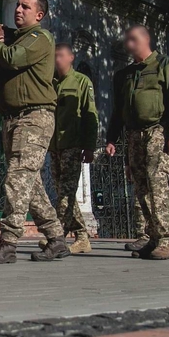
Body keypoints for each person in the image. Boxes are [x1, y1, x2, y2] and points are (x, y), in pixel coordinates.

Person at [0, 0, 68, 264]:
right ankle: (57, 239)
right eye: (17, 5)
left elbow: (15, 59)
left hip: (34, 118)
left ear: (39, 15)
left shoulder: (40, 39)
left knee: (17, 179)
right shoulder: (13, 41)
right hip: (12, 119)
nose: (18, 9)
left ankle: (8, 243)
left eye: (25, 6)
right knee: (31, 184)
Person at [105, 25, 169, 260]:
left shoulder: (164, 65)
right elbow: (118, 111)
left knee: (158, 186)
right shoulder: (124, 74)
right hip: (134, 136)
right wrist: (112, 138)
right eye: (126, 40)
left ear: (146, 40)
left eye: (133, 39)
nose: (128, 44)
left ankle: (166, 240)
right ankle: (152, 237)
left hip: (157, 133)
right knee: (141, 188)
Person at [49, 43, 99, 254]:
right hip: (55, 145)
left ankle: (56, 237)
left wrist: (89, 146)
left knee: (66, 193)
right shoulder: (51, 83)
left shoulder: (81, 81)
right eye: (54, 56)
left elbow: (91, 115)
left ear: (71, 57)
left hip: (72, 144)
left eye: (60, 55)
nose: (57, 59)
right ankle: (81, 237)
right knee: (63, 191)